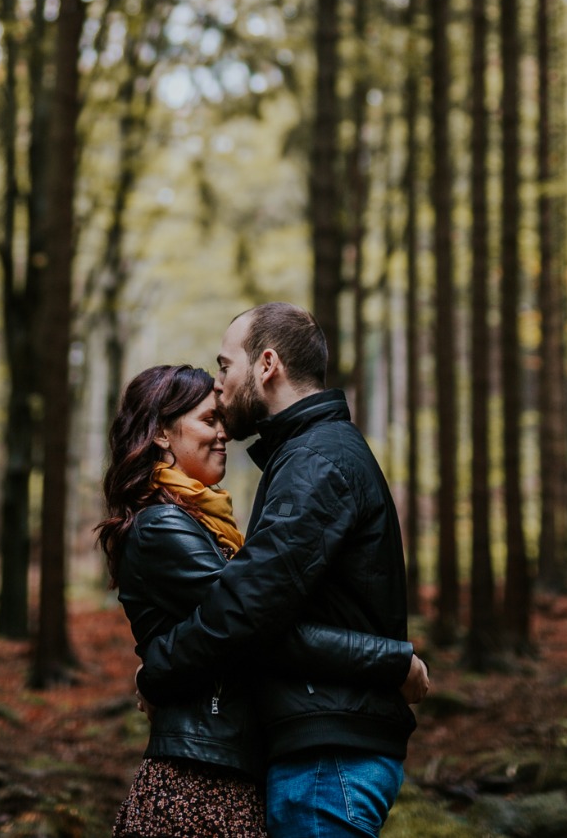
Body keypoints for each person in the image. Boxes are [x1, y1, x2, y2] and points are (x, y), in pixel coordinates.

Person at [137, 304, 428, 838]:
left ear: (266, 364)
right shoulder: (310, 454)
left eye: (226, 367)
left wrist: (156, 670)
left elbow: (246, 609)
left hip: (329, 756)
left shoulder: (316, 460)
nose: (220, 388)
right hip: (324, 747)